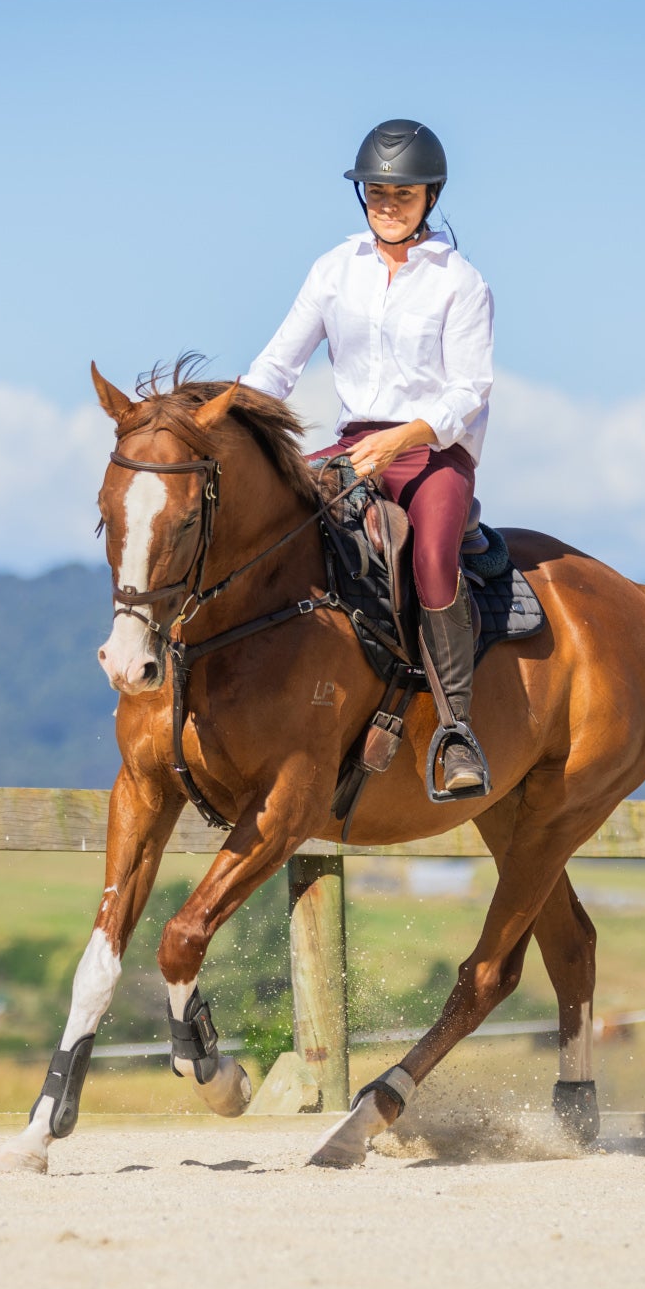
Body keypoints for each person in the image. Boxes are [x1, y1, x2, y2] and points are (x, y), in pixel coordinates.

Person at [241, 119, 495, 798]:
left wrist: (404, 437)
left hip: (433, 452)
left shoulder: (461, 283)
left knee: (433, 557)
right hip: (352, 446)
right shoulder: (334, 268)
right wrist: (228, 419)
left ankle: (456, 732)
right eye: (377, 192)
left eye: (402, 194)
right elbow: (277, 364)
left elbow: (469, 391)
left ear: (430, 198)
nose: (388, 204)